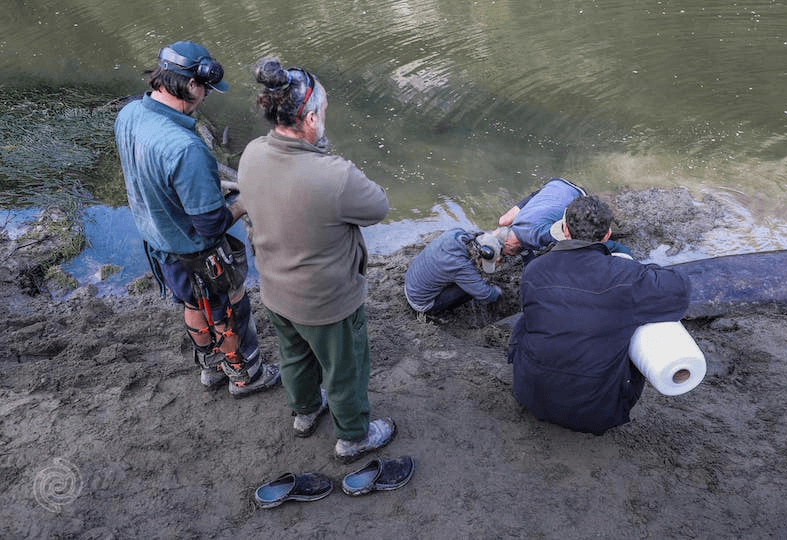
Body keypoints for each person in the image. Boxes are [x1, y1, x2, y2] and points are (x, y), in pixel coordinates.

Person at [237, 56, 395, 462]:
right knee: (345, 370)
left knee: (294, 356)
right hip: (327, 303)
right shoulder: (334, 175)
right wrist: (327, 157)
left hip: (275, 291)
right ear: (309, 119)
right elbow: (379, 205)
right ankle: (354, 437)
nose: (326, 117)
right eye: (323, 112)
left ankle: (305, 413)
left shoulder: (252, 153)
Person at [114, 41, 279, 397]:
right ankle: (245, 377)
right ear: (192, 85)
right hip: (198, 252)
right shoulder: (187, 149)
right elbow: (211, 225)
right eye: (205, 88)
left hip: (158, 241)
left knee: (193, 304)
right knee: (229, 310)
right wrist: (245, 201)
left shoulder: (129, 114)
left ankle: (210, 370)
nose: (206, 95)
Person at [507, 195, 690, 435]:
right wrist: (638, 266)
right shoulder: (626, 275)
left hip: (531, 395)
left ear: (564, 230)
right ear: (607, 235)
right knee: (632, 323)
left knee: (528, 319)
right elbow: (680, 289)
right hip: (594, 413)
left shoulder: (534, 269)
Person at [496, 177, 631, 260]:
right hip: (555, 184)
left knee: (584, 234)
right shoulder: (512, 225)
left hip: (578, 194)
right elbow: (525, 252)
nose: (508, 256)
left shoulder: (538, 237)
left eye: (506, 254)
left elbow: (571, 238)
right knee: (503, 220)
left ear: (508, 244)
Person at [404, 228, 503, 315]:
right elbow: (486, 294)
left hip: (410, 283)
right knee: (470, 289)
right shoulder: (460, 265)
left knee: (465, 279)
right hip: (420, 303)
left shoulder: (458, 233)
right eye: (483, 263)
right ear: (478, 255)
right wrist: (498, 292)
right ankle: (439, 313)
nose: (482, 265)